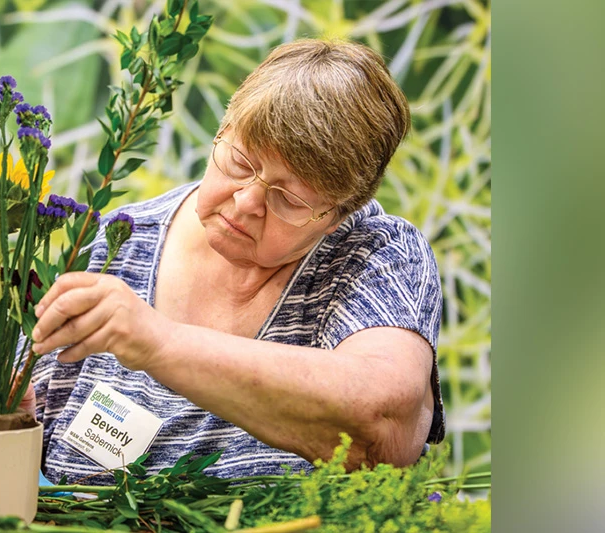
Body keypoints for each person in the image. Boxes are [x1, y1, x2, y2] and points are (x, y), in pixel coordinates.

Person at [27, 38, 445, 483]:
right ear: (221, 130)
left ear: (338, 214)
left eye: (290, 198)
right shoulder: (118, 241)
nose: (247, 202)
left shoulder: (377, 256)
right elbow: (33, 451)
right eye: (240, 162)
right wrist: (10, 425)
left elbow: (381, 424)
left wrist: (160, 343)